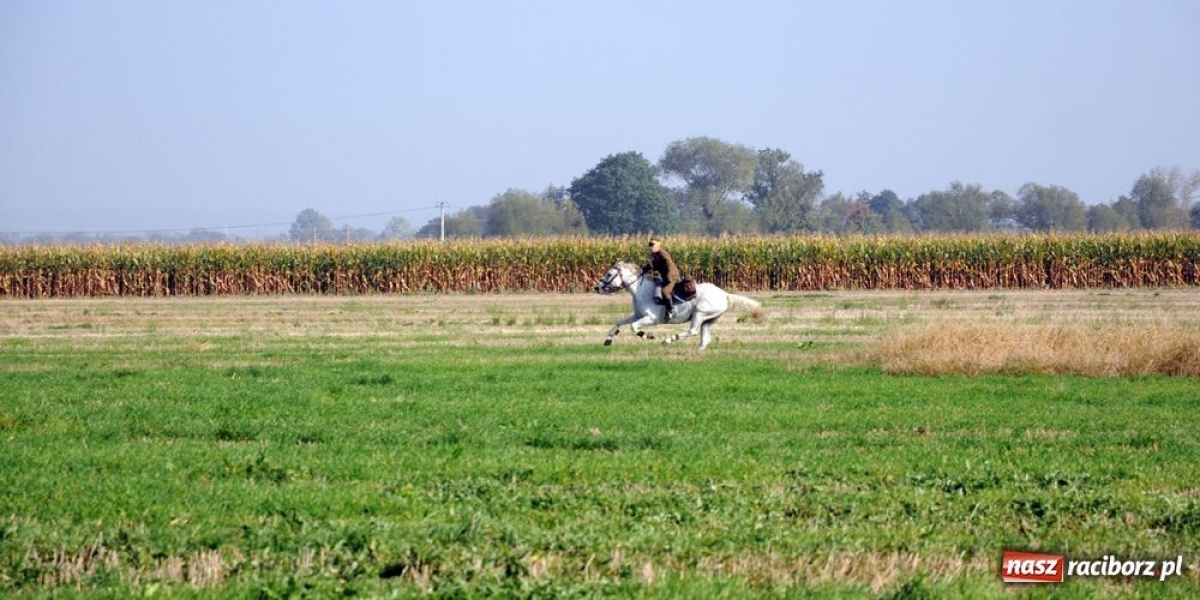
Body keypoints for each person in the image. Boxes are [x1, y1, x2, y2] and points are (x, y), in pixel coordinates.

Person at [642, 238, 681, 319]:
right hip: (664, 275)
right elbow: (651, 266)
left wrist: (669, 277)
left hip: (672, 275)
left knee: (665, 291)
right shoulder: (654, 255)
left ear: (658, 246)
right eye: (649, 245)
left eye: (652, 245)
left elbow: (669, 265)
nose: (650, 247)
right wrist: (641, 270)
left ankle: (671, 310)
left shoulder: (663, 254)